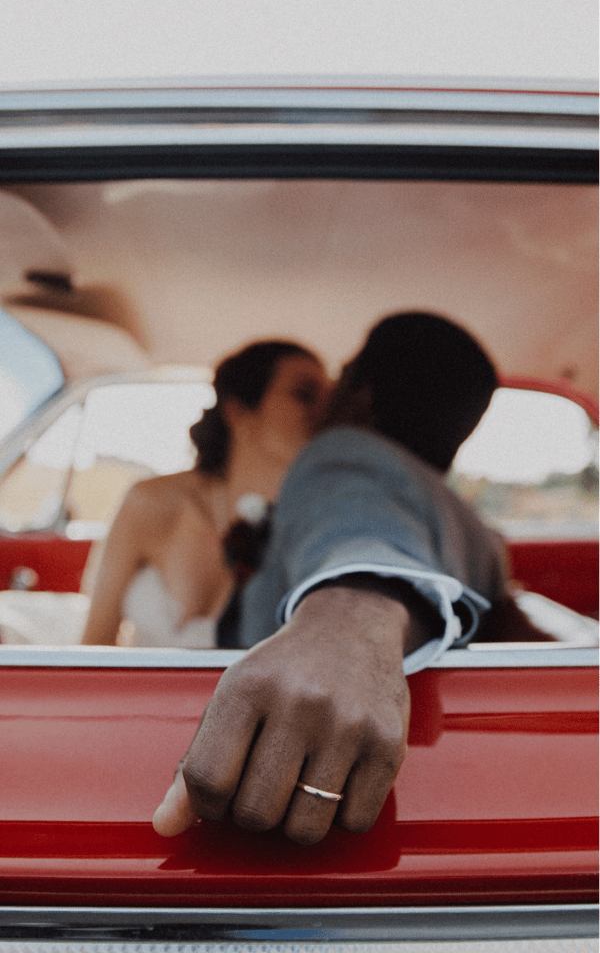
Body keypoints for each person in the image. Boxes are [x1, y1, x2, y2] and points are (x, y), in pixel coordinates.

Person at [153, 312, 514, 845]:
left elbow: (359, 529)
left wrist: (354, 612)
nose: (323, 404)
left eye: (340, 377)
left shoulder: (341, 451)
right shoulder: (476, 528)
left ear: (360, 396)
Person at [81, 339, 328, 647]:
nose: (324, 413)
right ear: (238, 412)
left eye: (330, 400)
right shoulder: (149, 502)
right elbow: (95, 643)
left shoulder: (318, 523)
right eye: (304, 395)